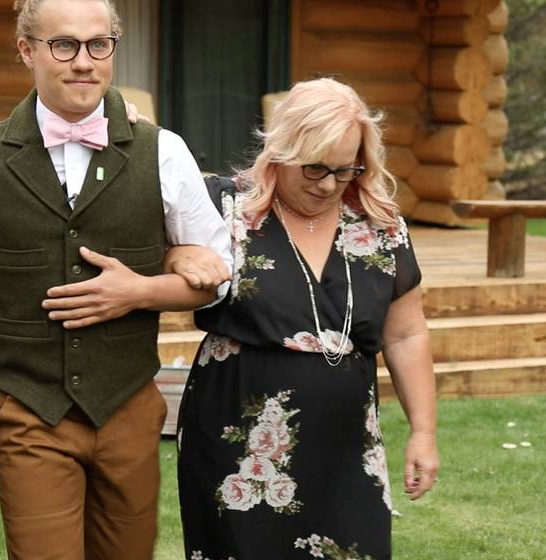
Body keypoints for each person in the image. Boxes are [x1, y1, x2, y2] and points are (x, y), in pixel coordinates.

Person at [0, 0, 231, 560]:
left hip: (128, 405)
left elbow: (218, 276)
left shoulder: (165, 152)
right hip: (31, 411)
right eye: (64, 46)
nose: (84, 62)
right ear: (27, 50)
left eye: (99, 45)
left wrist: (149, 285)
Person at [176, 78, 439, 560]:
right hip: (239, 449)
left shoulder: (380, 226)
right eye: (314, 168)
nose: (327, 185)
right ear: (281, 150)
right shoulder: (224, 208)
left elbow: (405, 334)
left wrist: (423, 432)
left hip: (347, 448)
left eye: (345, 170)